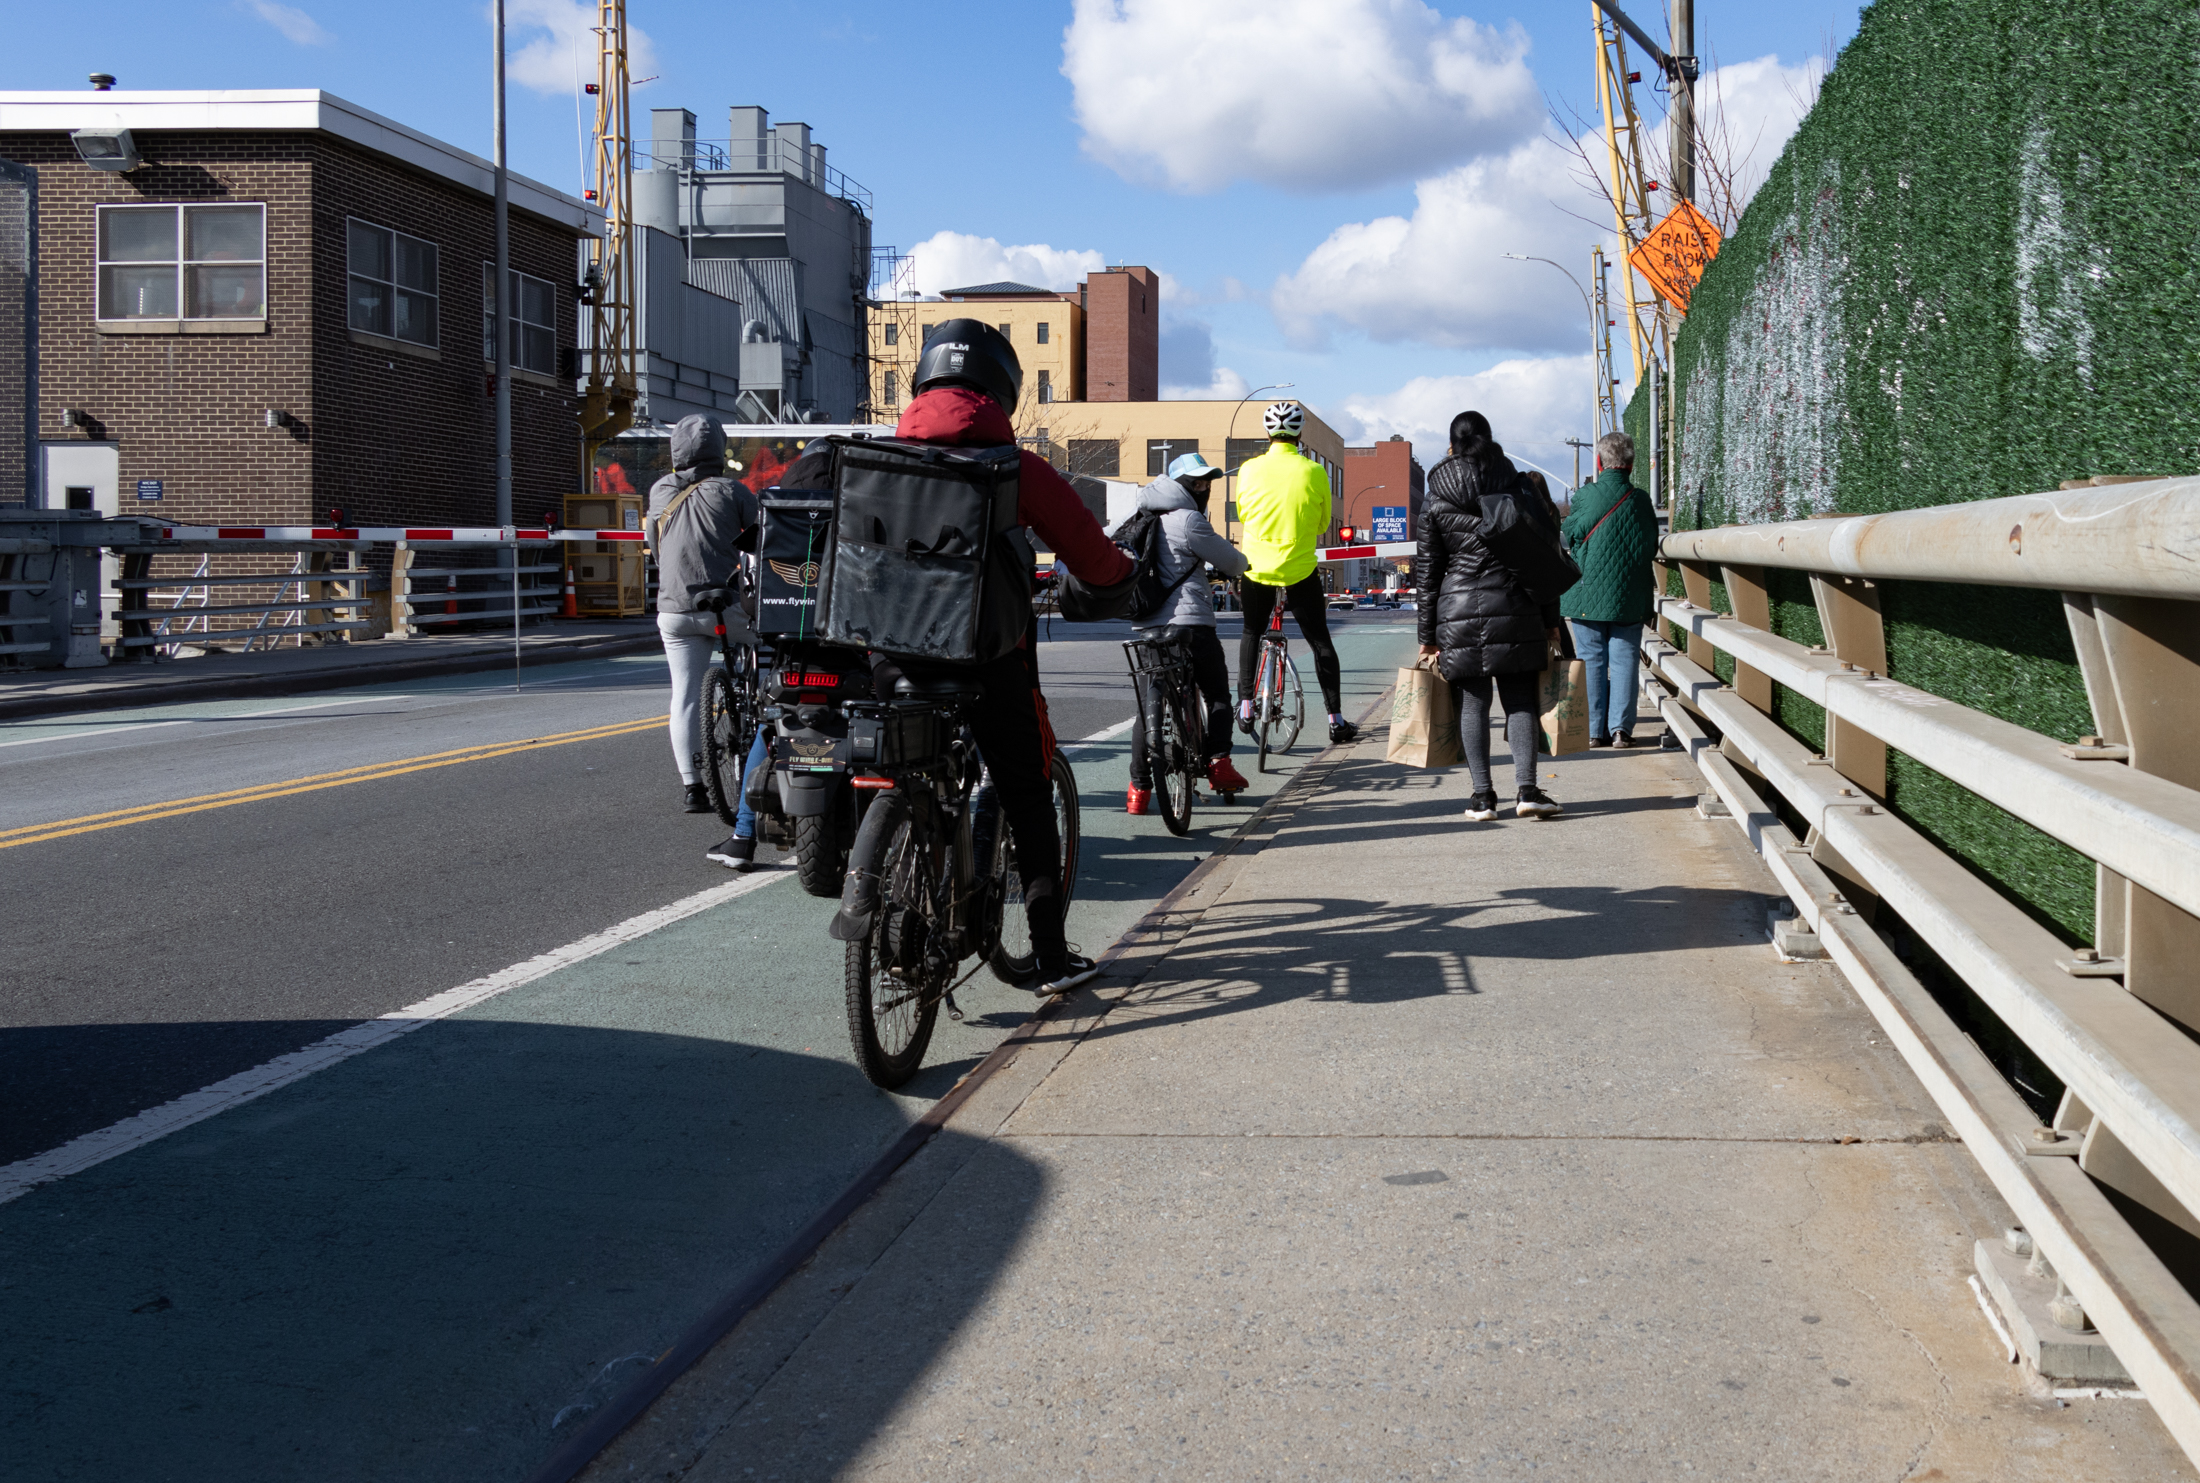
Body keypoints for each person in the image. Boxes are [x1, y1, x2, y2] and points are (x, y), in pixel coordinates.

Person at [843, 318, 1133, 994]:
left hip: (892, 653)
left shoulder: (885, 460)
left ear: (923, 381)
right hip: (989, 660)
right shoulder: (1014, 467)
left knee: (903, 763)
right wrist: (1121, 579)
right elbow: (1091, 553)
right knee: (1027, 793)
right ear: (1000, 389)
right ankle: (1050, 958)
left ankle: (898, 876)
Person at [1415, 410, 1564, 821]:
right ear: (1489, 438)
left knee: (1472, 706)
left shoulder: (1435, 496)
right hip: (1516, 605)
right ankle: (1528, 790)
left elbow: (1428, 574)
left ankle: (1482, 797)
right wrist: (1551, 620)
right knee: (1519, 701)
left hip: (1457, 610)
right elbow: (1543, 559)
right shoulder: (1517, 485)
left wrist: (1427, 634)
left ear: (1452, 444)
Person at [645, 414, 770, 868]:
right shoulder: (735, 492)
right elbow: (761, 547)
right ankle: (756, 715)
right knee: (766, 660)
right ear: (719, 450)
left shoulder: (660, 491)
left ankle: (692, 787)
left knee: (684, 694)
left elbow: (656, 547)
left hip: (674, 610)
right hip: (727, 607)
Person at [1123, 452, 1251, 813]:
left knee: (1147, 707)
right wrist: (1242, 565)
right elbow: (1232, 561)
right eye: (1197, 483)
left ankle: (1138, 789)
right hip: (1190, 623)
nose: (1203, 488)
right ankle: (1220, 765)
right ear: (1180, 486)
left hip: (1146, 625)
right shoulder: (1189, 520)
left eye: (1206, 482)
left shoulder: (1137, 519)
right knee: (1218, 695)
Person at [1232, 401, 1359, 745]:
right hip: (1300, 570)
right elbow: (1320, 524)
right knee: (1320, 643)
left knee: (1250, 633)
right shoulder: (1314, 472)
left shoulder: (1248, 469)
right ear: (1299, 434)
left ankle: (1245, 707)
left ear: (1268, 434)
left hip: (1257, 567)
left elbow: (1244, 515)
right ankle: (1336, 721)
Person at [1560, 431, 1661, 748]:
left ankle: (1593, 731)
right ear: (1631, 466)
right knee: (1625, 659)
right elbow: (1650, 545)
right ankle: (1621, 730)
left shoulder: (1586, 496)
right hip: (1628, 595)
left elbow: (1570, 534)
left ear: (1600, 462)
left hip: (1587, 593)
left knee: (1591, 659)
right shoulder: (1641, 500)